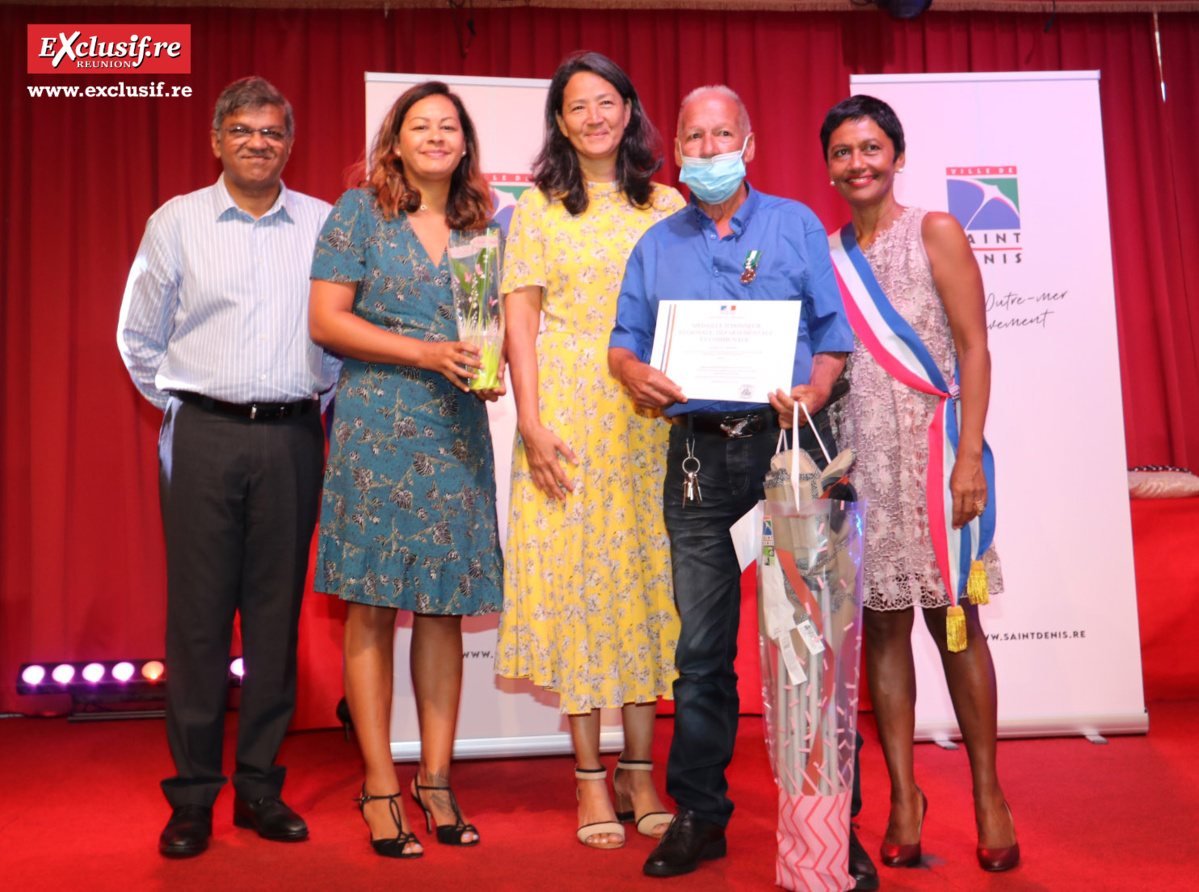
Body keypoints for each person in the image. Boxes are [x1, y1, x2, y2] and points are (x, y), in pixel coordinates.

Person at [609, 85, 868, 882]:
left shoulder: (792, 224)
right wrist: (636, 375)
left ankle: (831, 822)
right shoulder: (656, 244)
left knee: (813, 649)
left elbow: (831, 339)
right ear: (675, 150)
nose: (709, 150)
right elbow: (623, 344)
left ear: (748, 145)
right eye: (695, 137)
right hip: (695, 456)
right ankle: (699, 814)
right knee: (700, 651)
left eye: (723, 136)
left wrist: (816, 391)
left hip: (790, 449)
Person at [117, 76, 337, 858]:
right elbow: (138, 338)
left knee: (274, 626)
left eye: (272, 132)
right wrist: (191, 405)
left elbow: (339, 336)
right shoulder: (176, 222)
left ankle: (257, 791)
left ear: (289, 142)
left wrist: (299, 401)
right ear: (216, 139)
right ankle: (192, 799)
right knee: (201, 624)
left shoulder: (321, 223)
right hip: (202, 435)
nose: (256, 143)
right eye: (241, 130)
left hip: (290, 439)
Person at [804, 94, 1019, 873]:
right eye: (841, 152)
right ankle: (902, 795)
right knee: (885, 631)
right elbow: (826, 366)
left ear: (895, 154)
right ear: (826, 165)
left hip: (935, 458)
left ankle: (988, 792)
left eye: (870, 148)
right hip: (864, 465)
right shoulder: (826, 257)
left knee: (955, 622)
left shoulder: (935, 229)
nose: (857, 163)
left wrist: (967, 463)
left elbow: (974, 349)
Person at [308, 81, 504, 859]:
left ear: (463, 144)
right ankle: (380, 782)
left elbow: (483, 328)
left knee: (443, 608)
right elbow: (327, 321)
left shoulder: (478, 223)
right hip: (375, 427)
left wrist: (484, 368)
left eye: (446, 126)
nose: (433, 136)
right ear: (394, 141)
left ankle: (438, 780)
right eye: (418, 125)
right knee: (369, 605)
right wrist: (425, 352)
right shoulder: (358, 211)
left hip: (456, 429)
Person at [494, 51, 683, 850]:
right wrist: (530, 423)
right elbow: (521, 324)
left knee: (645, 585)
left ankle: (641, 769)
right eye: (577, 107)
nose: (594, 118)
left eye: (607, 102)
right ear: (559, 122)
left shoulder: (667, 203)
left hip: (649, 417)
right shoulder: (536, 208)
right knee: (578, 589)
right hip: (567, 421)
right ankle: (587, 779)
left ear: (629, 110)